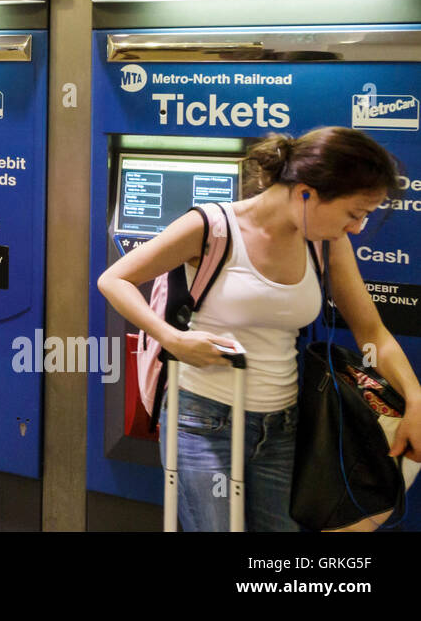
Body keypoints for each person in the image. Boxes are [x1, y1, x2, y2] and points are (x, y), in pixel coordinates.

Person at [99, 127, 421, 531]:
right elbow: (115, 280)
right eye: (354, 212)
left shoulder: (326, 242)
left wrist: (415, 398)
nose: (357, 227)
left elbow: (372, 333)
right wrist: (173, 339)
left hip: (283, 427)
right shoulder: (212, 227)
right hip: (202, 423)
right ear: (307, 192)